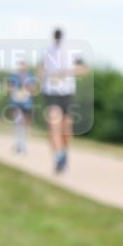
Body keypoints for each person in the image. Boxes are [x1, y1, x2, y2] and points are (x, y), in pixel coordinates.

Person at [38, 28, 88, 173]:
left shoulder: (72, 51)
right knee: (54, 124)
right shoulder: (46, 51)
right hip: (51, 92)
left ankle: (64, 152)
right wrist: (46, 75)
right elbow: (40, 69)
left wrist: (66, 72)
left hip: (67, 93)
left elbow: (84, 69)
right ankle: (58, 157)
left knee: (66, 129)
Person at [7, 61, 38, 154]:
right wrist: (14, 90)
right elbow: (9, 88)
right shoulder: (13, 77)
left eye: (23, 66)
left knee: (25, 125)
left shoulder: (31, 77)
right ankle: (18, 144)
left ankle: (23, 145)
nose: (22, 68)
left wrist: (28, 88)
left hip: (27, 103)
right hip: (16, 102)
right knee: (17, 123)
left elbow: (34, 90)